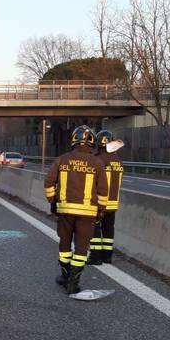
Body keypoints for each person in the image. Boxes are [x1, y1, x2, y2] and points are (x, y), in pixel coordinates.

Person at [44, 125, 108, 294]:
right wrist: (100, 211)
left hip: (65, 211)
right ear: (92, 142)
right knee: (81, 248)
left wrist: (53, 202)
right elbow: (103, 191)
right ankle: (73, 282)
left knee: (64, 244)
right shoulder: (97, 163)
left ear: (73, 140)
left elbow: (49, 182)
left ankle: (64, 277)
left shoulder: (62, 159)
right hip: (87, 214)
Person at [88, 130, 124, 265]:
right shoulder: (118, 161)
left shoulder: (97, 159)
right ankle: (107, 256)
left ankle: (95, 256)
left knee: (95, 228)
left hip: (99, 201)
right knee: (109, 228)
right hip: (113, 202)